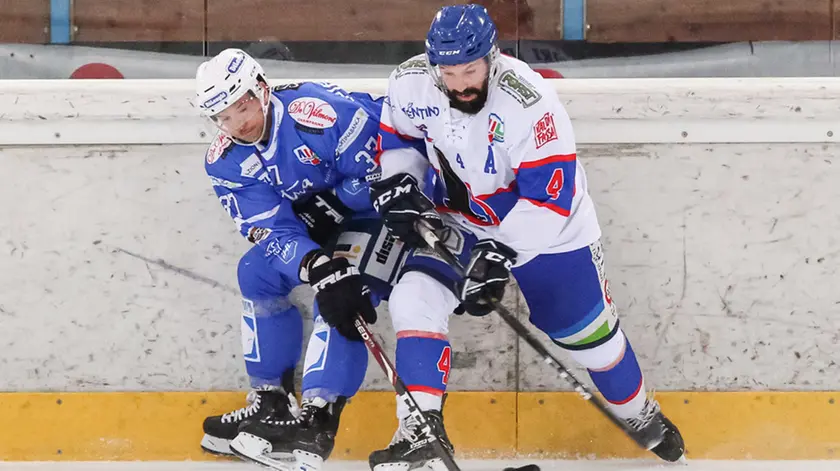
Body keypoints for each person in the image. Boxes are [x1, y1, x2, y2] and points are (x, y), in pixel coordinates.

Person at [356, 4, 686, 470]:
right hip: (462, 221)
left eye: (470, 69)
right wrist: (401, 185)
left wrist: (498, 255)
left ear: (492, 56)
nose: (460, 83)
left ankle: (640, 414)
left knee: (593, 343)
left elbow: (548, 201)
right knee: (413, 297)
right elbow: (401, 142)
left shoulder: (530, 102)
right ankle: (421, 435)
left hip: (550, 232)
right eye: (448, 72)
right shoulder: (409, 83)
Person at [193, 48, 408, 471]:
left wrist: (336, 202)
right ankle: (271, 401)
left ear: (261, 88)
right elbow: (271, 229)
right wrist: (314, 264)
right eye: (223, 116)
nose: (239, 123)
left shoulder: (319, 113)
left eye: (242, 106)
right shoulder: (225, 162)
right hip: (324, 226)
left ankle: (318, 416)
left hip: (383, 214)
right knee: (255, 272)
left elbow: (388, 168)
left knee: (341, 295)